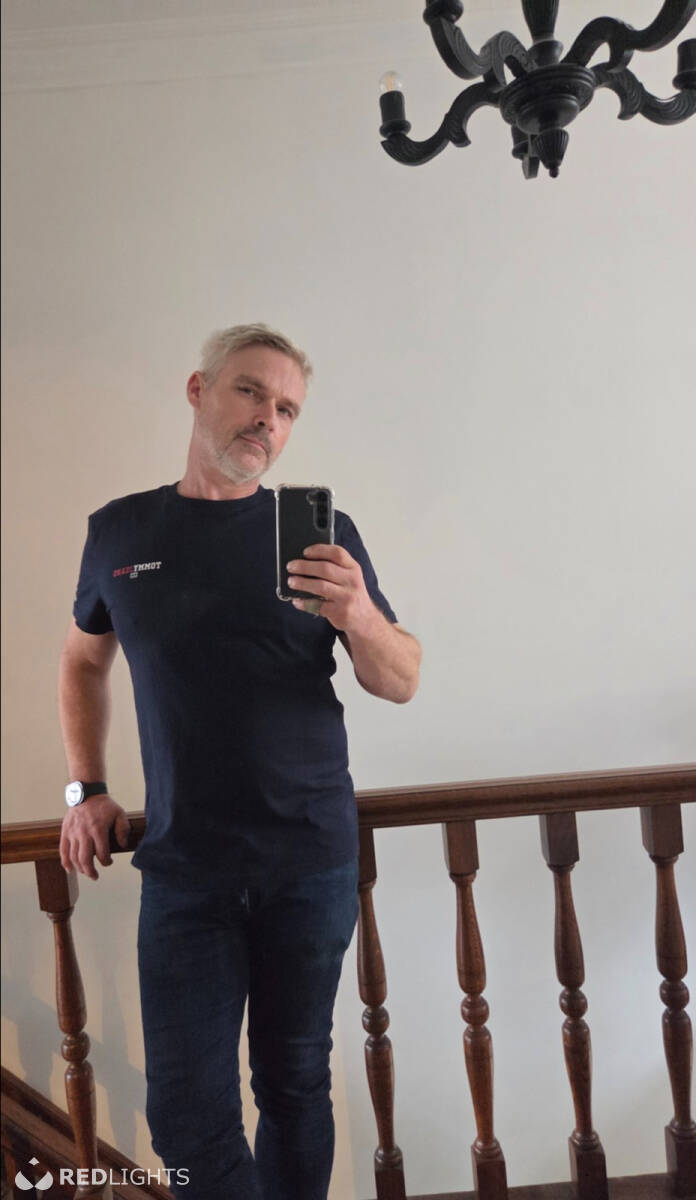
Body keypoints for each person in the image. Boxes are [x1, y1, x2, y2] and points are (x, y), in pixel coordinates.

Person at [58, 323, 421, 1200]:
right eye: (251, 391)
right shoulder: (121, 532)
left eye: (287, 408)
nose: (267, 419)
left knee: (294, 1085)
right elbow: (81, 661)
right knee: (185, 1112)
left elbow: (401, 679)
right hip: (187, 870)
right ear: (200, 389)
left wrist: (358, 615)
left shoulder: (324, 535)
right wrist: (87, 787)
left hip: (309, 861)